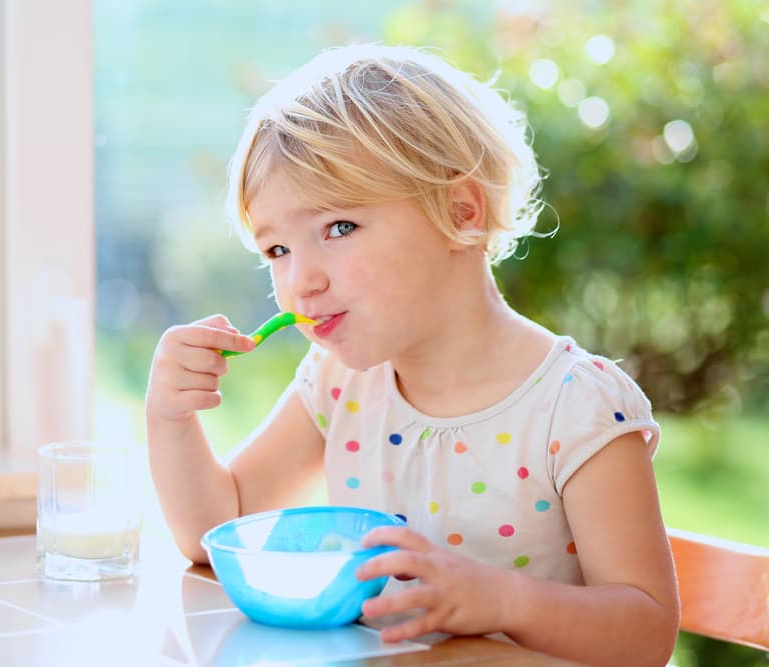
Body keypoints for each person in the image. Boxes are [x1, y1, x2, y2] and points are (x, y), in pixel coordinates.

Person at [145, 44, 679, 666]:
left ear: (461, 212)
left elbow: (646, 633)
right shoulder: (342, 381)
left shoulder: (576, 408)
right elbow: (216, 533)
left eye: (338, 228)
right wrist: (171, 421)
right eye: (277, 251)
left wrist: (505, 602)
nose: (300, 282)